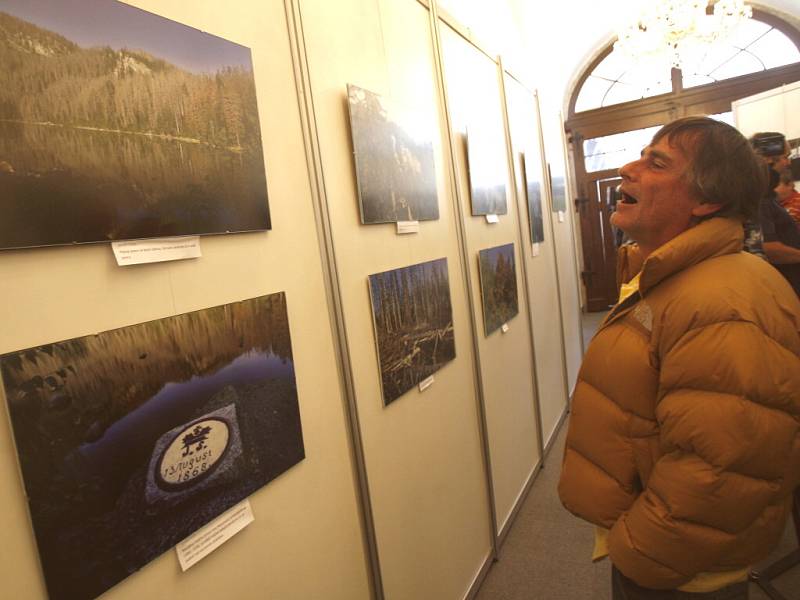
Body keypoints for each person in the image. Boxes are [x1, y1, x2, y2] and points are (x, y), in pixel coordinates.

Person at [558, 116, 800, 600]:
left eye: (656, 162)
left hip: (679, 569)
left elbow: (722, 467)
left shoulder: (723, 301)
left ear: (706, 200)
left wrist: (642, 550)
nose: (628, 168)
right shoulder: (671, 277)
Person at [751, 132, 800, 296]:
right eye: (785, 156)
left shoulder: (765, 196)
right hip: (785, 286)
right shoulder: (760, 197)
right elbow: (768, 248)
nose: (788, 162)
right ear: (768, 159)